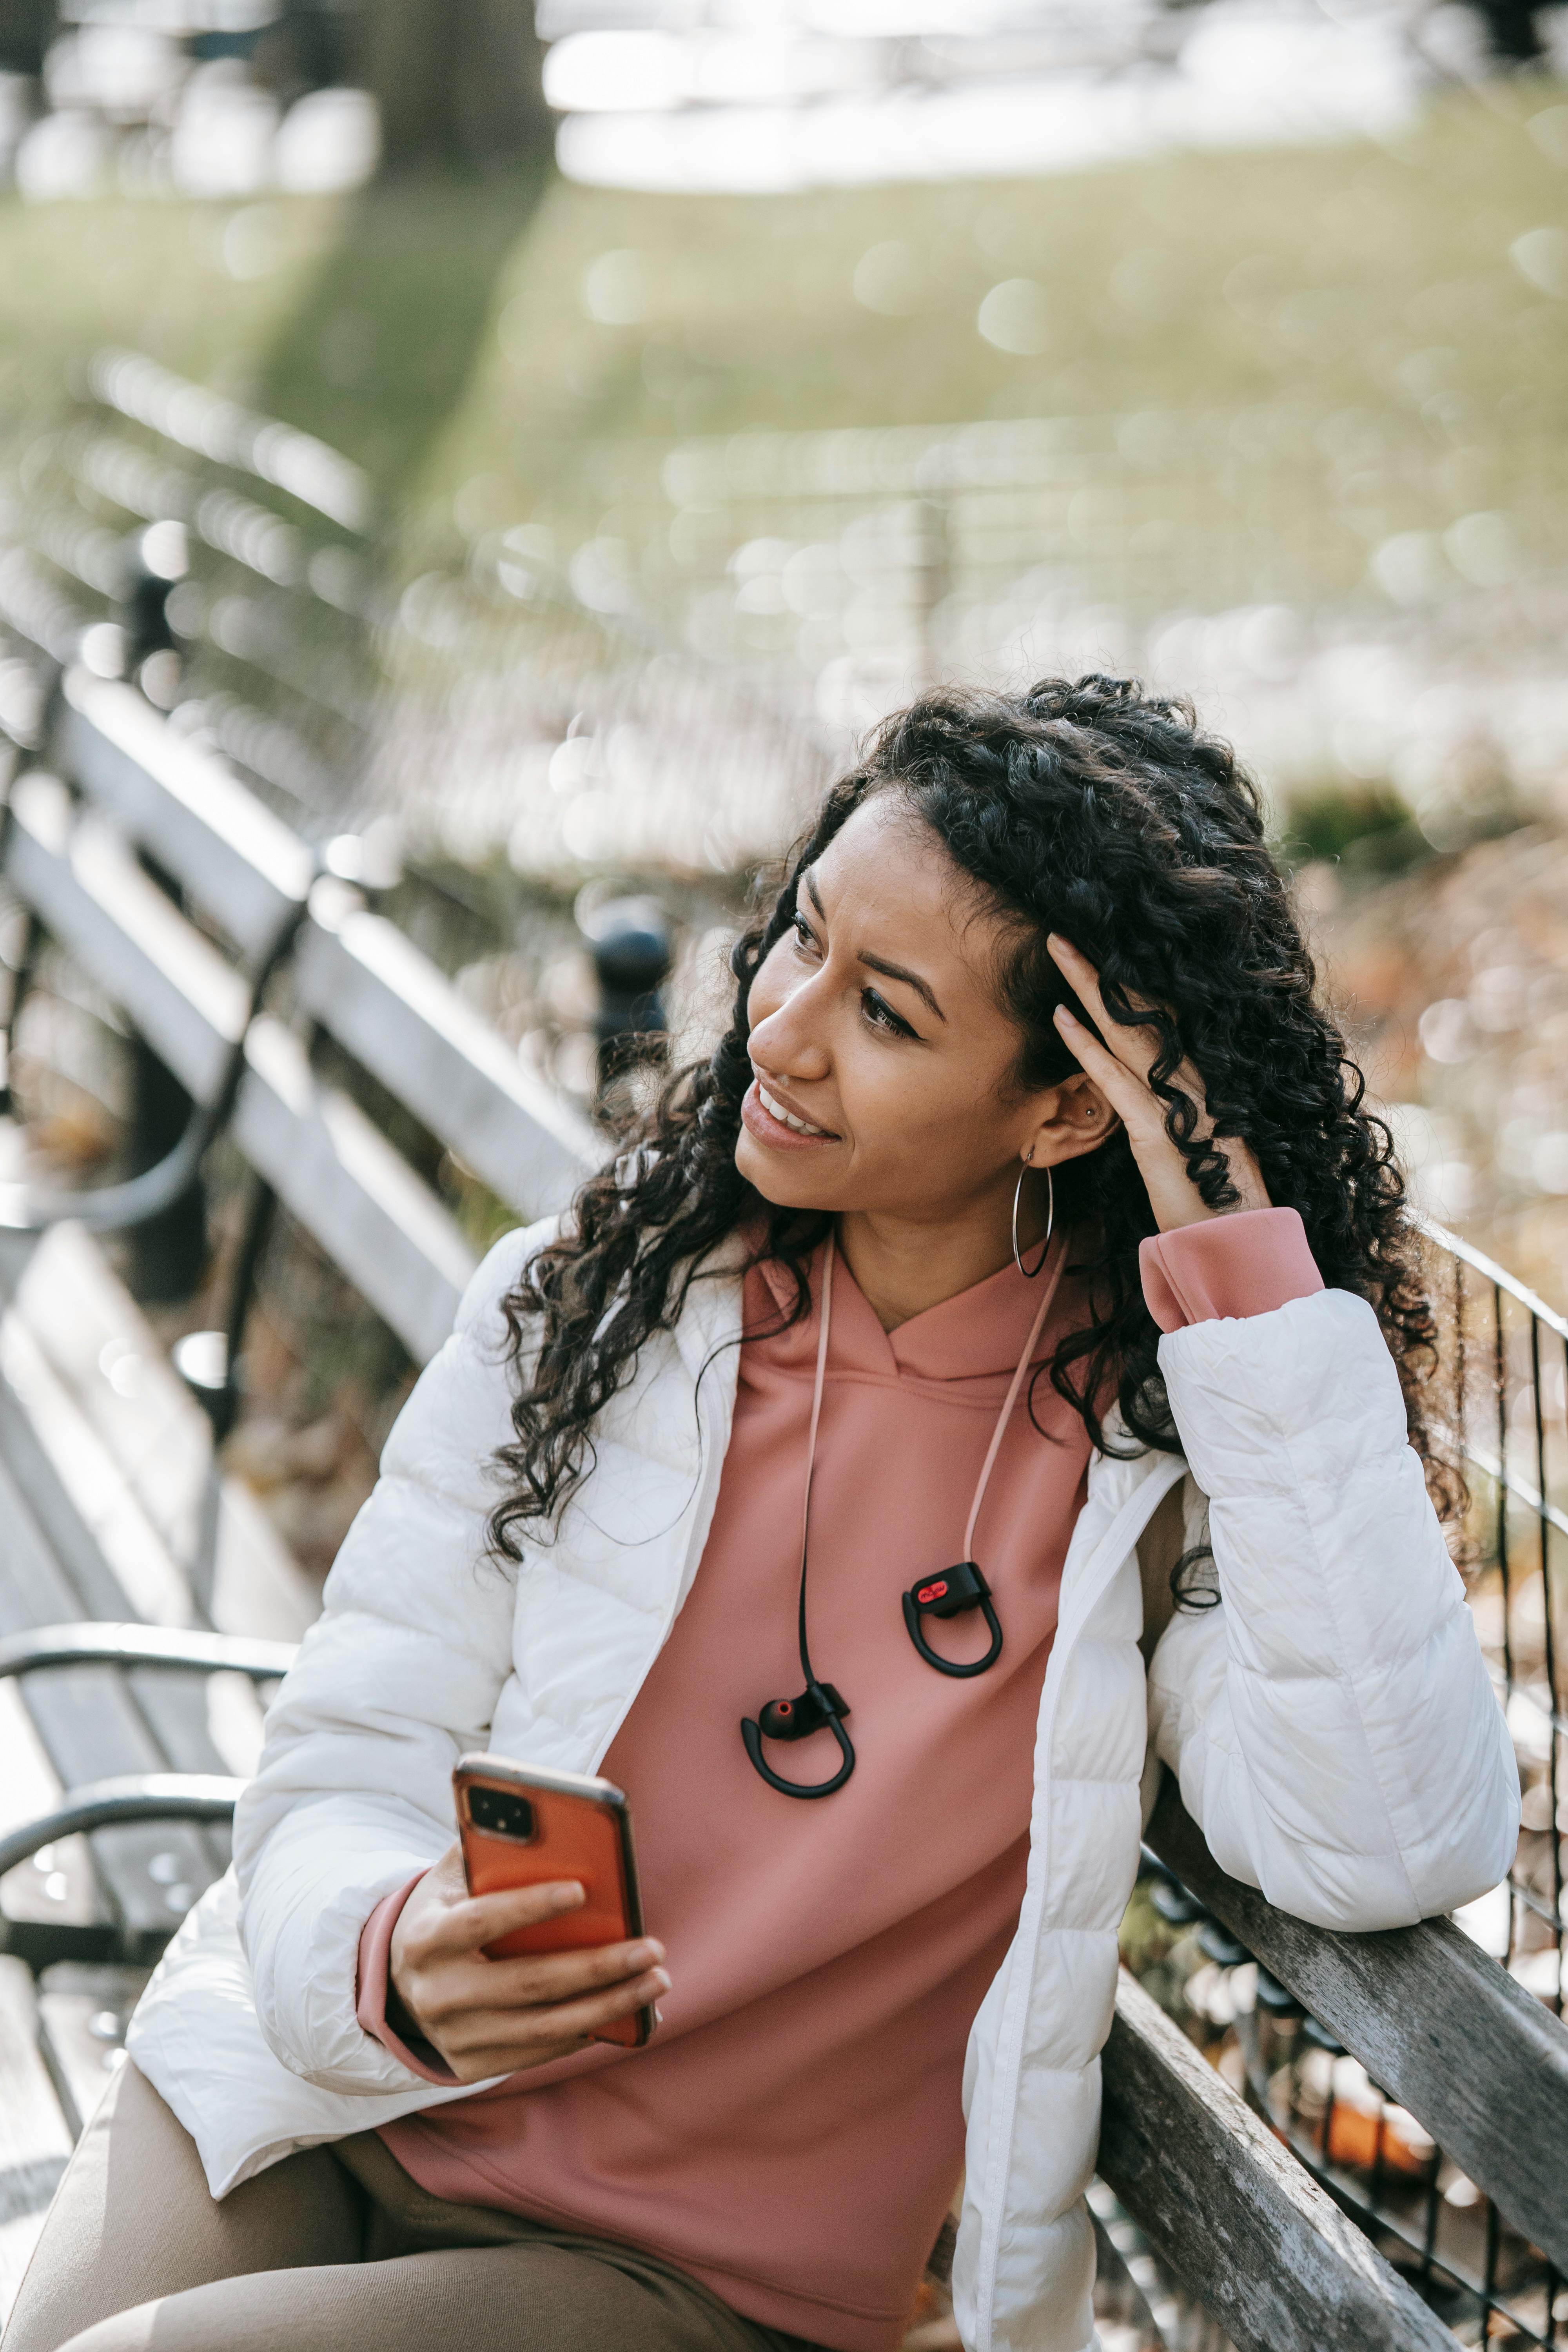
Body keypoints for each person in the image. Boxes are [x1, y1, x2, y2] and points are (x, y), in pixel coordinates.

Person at [8, 675, 1519, 2352]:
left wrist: (1243, 1282)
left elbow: (1390, 1836)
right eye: (800, 939)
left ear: (1070, 1102)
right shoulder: (593, 1309)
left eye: (886, 1012)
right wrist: (390, 1948)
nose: (781, 1028)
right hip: (325, 2080)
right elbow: (347, 1753)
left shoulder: (1160, 1461)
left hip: (674, 2275)